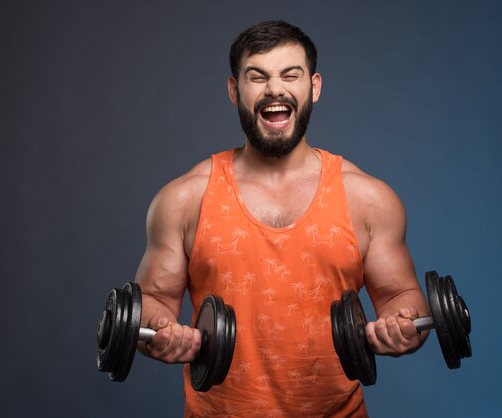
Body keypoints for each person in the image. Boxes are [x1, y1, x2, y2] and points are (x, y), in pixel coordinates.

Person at [135, 20, 430, 417]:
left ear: (315, 87)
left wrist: (401, 324)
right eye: (257, 77)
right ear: (234, 90)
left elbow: (399, 296)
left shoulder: (367, 199)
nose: (275, 89)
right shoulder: (184, 199)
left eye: (291, 75)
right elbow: (151, 301)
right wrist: (161, 332)